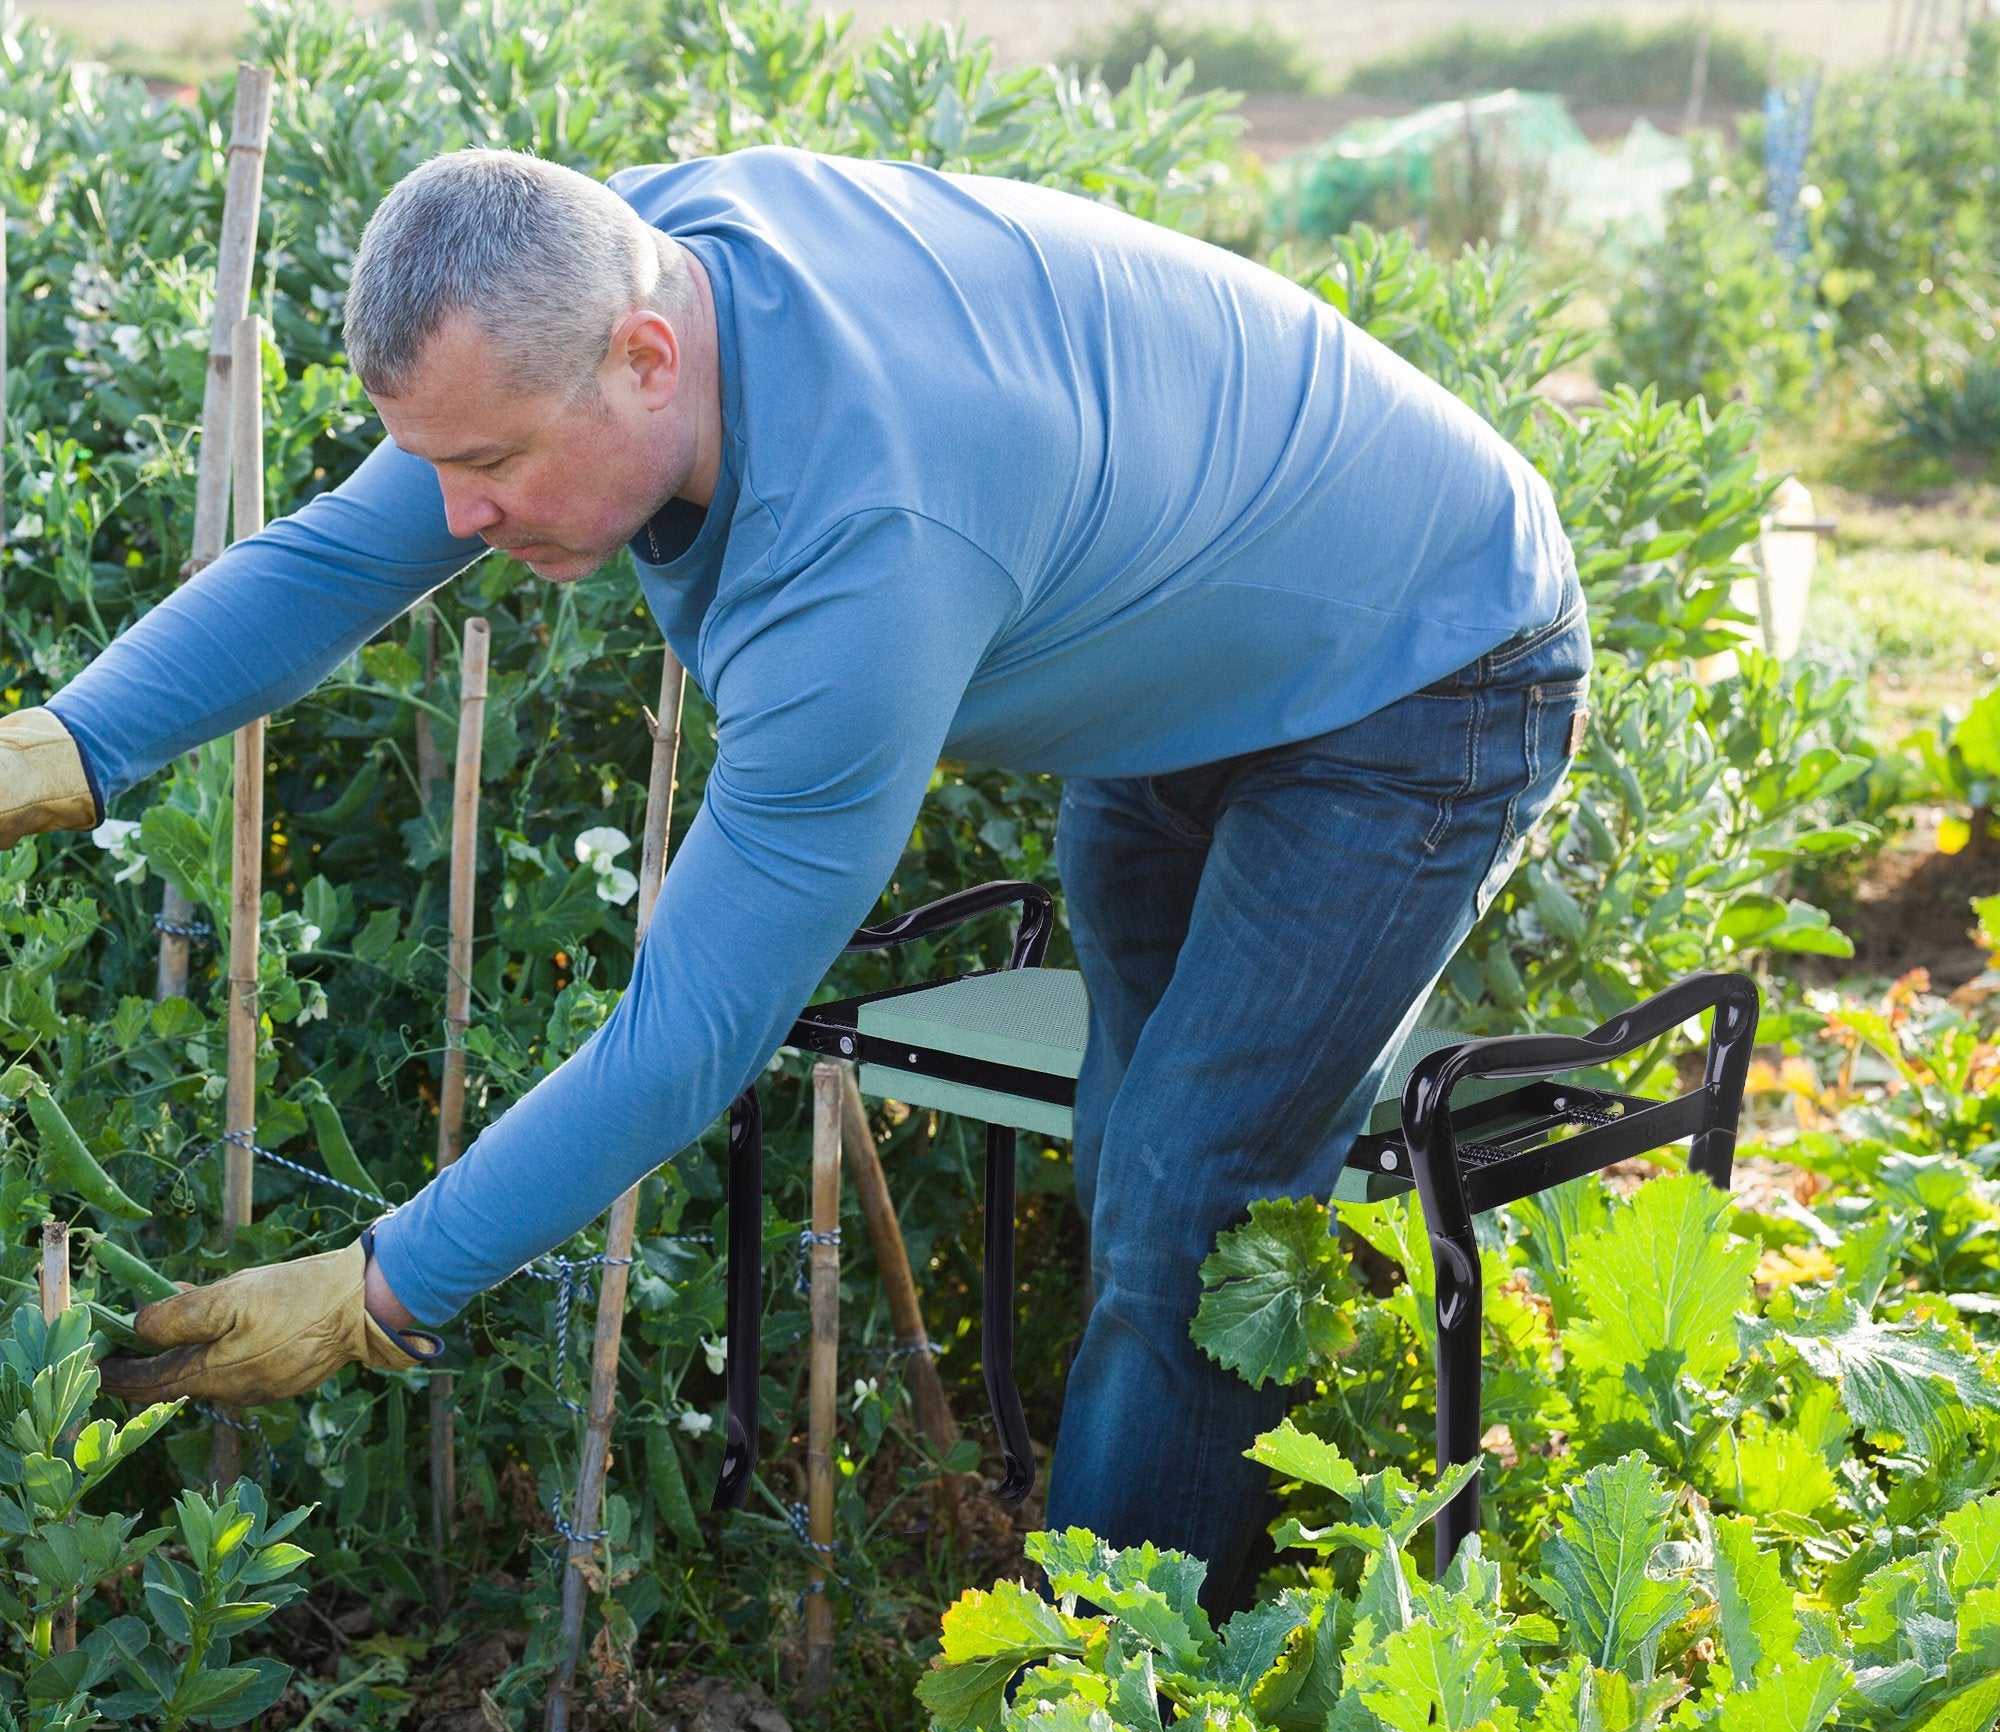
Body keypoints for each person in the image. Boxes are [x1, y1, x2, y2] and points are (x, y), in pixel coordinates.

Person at [0, 146, 1588, 1615]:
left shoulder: (866, 557)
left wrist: (381, 1289)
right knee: (1141, 1157)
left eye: (489, 467)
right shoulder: (626, 256)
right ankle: (1185, 1555)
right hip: (1203, 625)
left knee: (1192, 1198)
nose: (460, 517)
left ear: (645, 361)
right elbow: (350, 552)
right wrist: (67, 747)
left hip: (1425, 664)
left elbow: (690, 1033)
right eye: (440, 465)